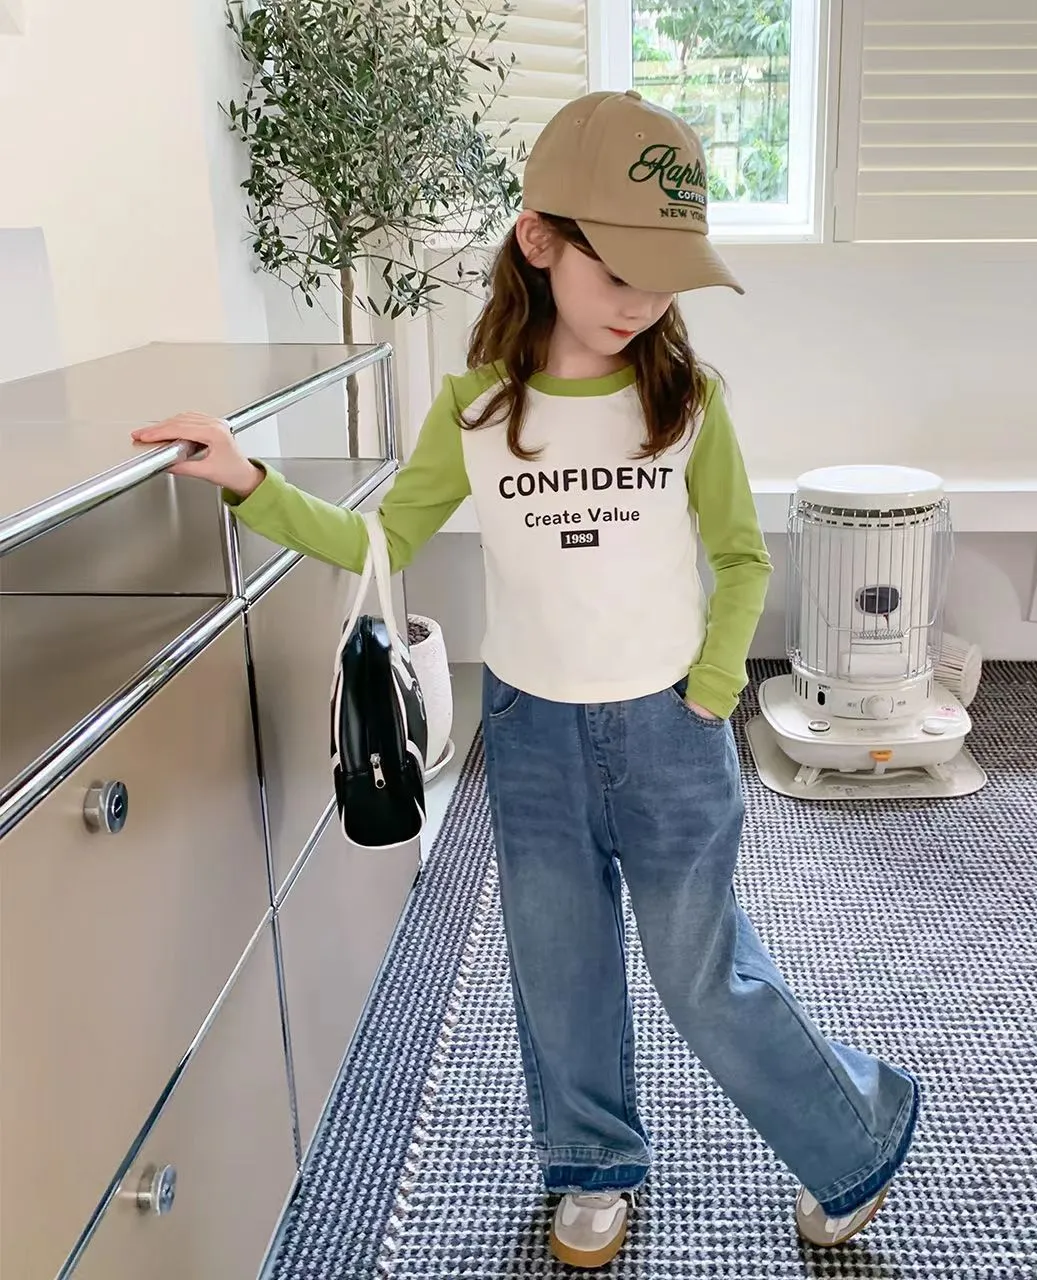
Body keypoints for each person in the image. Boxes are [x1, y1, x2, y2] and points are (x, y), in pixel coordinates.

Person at [133, 90, 919, 1270]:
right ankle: (591, 1163)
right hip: (534, 733)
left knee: (699, 973)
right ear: (539, 239)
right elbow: (381, 541)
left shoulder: (686, 401)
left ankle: (854, 1133)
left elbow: (743, 556)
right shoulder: (478, 410)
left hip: (667, 729)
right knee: (559, 969)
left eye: (666, 278)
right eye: (621, 270)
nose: (644, 302)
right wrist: (251, 480)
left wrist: (713, 686)